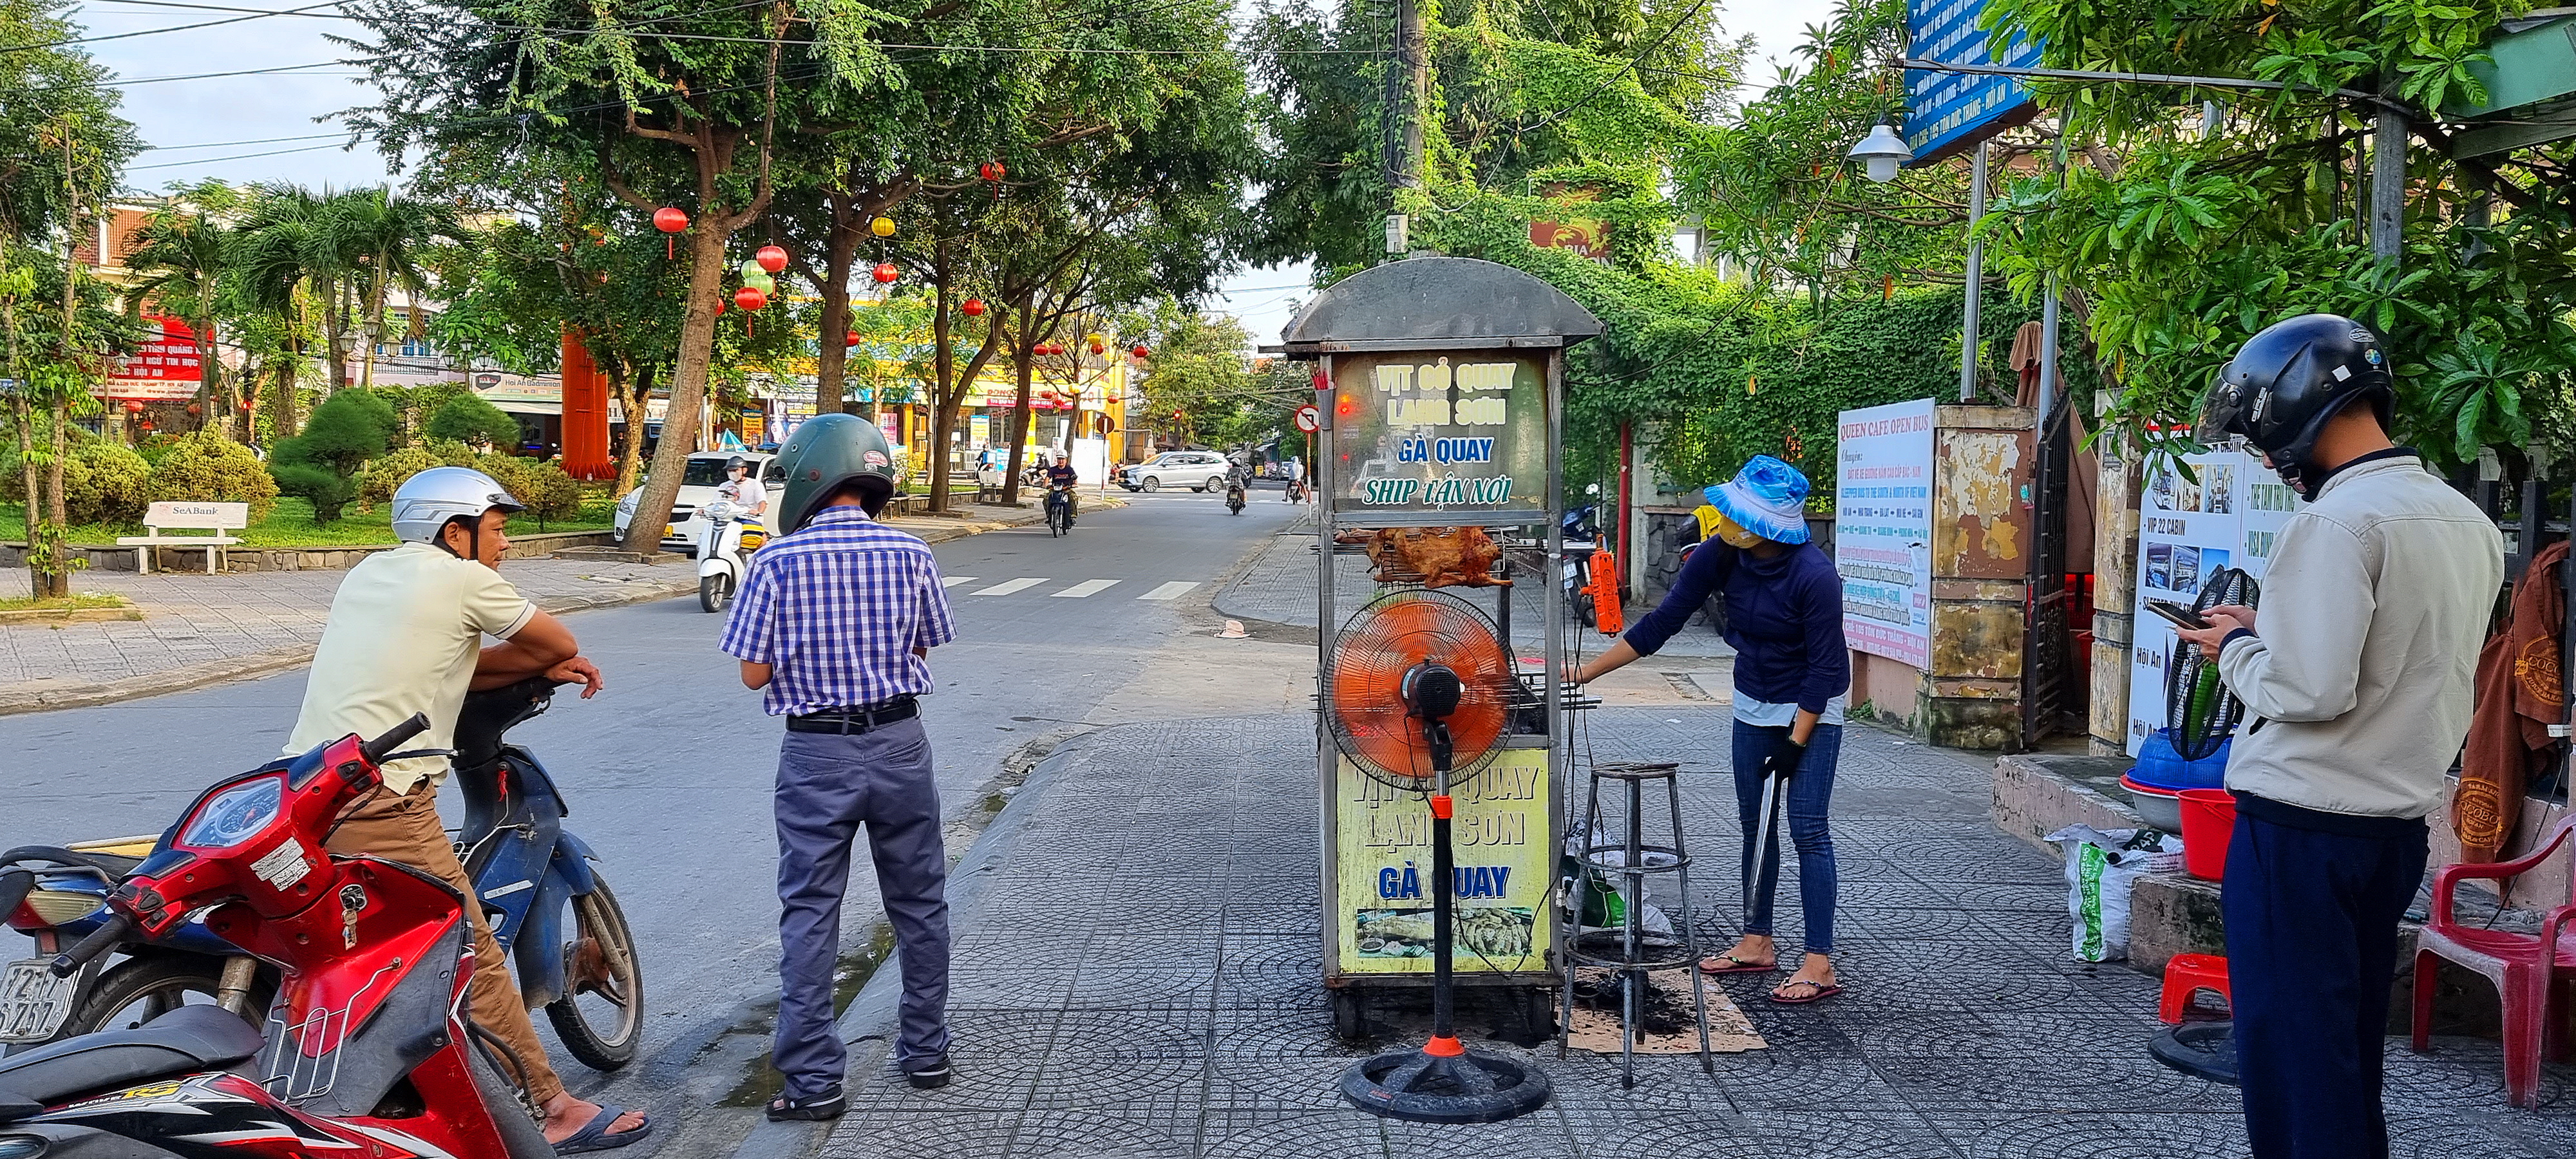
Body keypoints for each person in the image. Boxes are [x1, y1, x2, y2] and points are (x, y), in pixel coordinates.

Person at [2174, 314, 2502, 1159]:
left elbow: (2307, 689)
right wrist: (2271, 623)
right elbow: (2396, 651)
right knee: (2346, 1057)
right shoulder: (2461, 520)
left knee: (2294, 1065)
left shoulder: (2336, 521)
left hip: (2301, 835)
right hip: (2390, 831)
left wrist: (2235, 645)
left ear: (2293, 415)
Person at [285, 466, 650, 1153]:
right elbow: (558, 643)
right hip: (386, 798)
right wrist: (549, 667)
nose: (505, 543)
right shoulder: (462, 579)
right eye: (498, 527)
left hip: (313, 789)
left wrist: (531, 667)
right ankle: (553, 1107)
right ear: (456, 533)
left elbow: (449, 664)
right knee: (467, 948)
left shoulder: (366, 574)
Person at [720, 413, 960, 1120]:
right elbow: (924, 647)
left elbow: (754, 675)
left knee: (811, 912)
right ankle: (926, 1053)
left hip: (816, 754)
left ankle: (816, 1082)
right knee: (920, 902)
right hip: (900, 745)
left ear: (808, 478)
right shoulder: (911, 554)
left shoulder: (773, 562)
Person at [1567, 455, 1849, 1005]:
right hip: (1752, 700)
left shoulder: (1814, 576)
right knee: (1756, 825)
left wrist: (1797, 742)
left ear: (1767, 525)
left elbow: (1828, 670)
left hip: (1810, 708)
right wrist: (1582, 672)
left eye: (1737, 514)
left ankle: (1819, 961)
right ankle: (1756, 941)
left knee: (1807, 829)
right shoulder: (1724, 551)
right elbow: (1661, 623)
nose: (1724, 520)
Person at [1045, 451, 1080, 527]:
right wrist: (1046, 485)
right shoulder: (1053, 469)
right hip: (1055, 489)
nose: (1061, 461)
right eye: (1059, 459)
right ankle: (1049, 516)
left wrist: (1074, 484)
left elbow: (1074, 479)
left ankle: (1072, 516)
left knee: (1073, 497)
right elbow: (1047, 478)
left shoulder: (1069, 469)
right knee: (1046, 498)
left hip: (1066, 489)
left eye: (1062, 459)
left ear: (1066, 460)